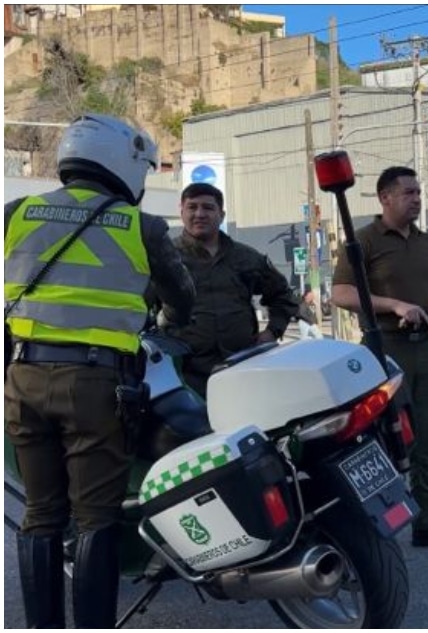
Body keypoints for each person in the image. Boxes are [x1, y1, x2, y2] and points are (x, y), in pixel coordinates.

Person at [4, 113, 195, 627]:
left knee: (41, 516)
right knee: (95, 518)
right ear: (125, 163)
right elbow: (183, 298)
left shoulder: (16, 212)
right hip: (95, 385)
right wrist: (164, 320)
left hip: (23, 379)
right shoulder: (142, 225)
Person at [330, 166, 428, 547]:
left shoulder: (427, 242)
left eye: (418, 192)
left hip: (426, 349)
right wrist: (394, 305)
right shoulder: (363, 241)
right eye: (408, 192)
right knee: (385, 443)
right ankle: (376, 530)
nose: (416, 199)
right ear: (385, 197)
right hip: (384, 350)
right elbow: (341, 294)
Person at [156, 183, 298, 397]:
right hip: (183, 375)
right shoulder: (166, 259)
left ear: (221, 215)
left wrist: (272, 332)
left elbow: (283, 296)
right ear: (181, 212)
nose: (199, 214)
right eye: (192, 207)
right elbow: (138, 307)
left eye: (208, 208)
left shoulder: (246, 257)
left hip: (241, 368)